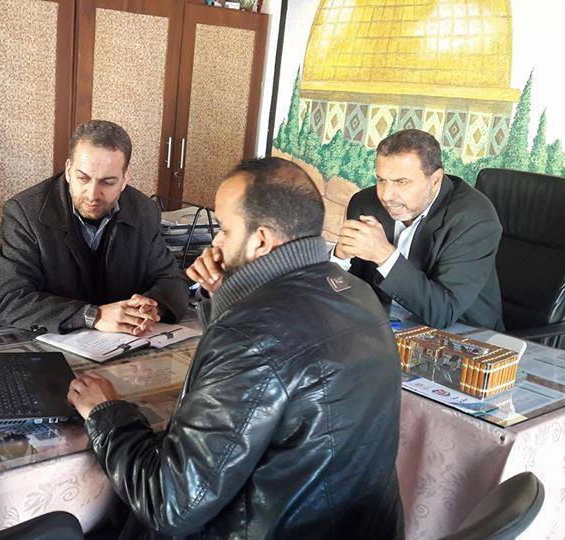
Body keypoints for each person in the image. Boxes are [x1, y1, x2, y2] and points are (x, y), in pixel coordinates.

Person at [68, 157, 404, 538]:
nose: (215, 243)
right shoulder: (358, 293)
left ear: (260, 240)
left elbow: (172, 502)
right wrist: (229, 296)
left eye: (225, 230)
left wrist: (107, 415)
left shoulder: (251, 335)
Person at [0, 120, 188, 335]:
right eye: (83, 178)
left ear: (124, 179)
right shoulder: (24, 212)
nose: (93, 194)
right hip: (53, 345)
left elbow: (172, 282)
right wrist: (93, 315)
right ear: (68, 170)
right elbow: (10, 301)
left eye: (108, 182)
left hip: (124, 344)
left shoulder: (144, 211)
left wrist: (149, 309)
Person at [332, 129, 504, 330]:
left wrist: (384, 256)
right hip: (383, 330)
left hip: (463, 336)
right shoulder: (365, 203)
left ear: (435, 180)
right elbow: (348, 289)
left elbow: (443, 311)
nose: (386, 195)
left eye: (401, 182)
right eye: (381, 180)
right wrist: (339, 259)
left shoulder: (474, 219)